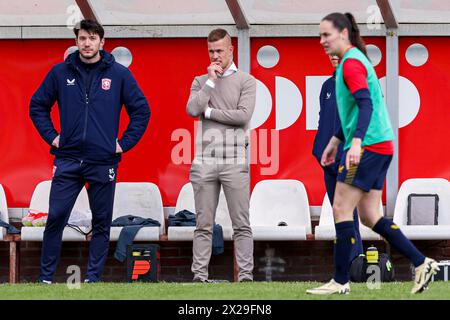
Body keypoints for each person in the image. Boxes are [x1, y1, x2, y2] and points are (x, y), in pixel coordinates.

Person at [307, 12, 439, 295]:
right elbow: (354, 111)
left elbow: (366, 105)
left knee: (341, 208)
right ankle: (422, 262)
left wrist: (355, 143)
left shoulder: (352, 64)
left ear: (343, 34)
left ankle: (340, 281)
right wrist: (335, 141)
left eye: (326, 35)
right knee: (369, 216)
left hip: (367, 149)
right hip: (379, 147)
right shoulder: (352, 62)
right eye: (320, 35)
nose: (322, 41)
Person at [29, 19, 150, 283]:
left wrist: (122, 143)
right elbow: (37, 105)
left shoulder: (118, 74)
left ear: (102, 42)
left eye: (92, 38)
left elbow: (141, 110)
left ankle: (93, 278)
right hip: (68, 159)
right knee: (56, 218)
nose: (87, 43)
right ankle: (46, 278)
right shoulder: (60, 73)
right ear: (76, 41)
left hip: (103, 160)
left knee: (101, 223)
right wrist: (53, 137)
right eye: (83, 38)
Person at [186, 28, 256, 282]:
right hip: (204, 161)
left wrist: (210, 113)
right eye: (211, 51)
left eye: (219, 51)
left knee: (241, 223)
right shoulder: (200, 81)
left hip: (235, 159)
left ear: (230, 50)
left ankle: (246, 276)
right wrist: (211, 81)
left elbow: (242, 116)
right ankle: (199, 276)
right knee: (203, 224)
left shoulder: (246, 81)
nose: (215, 56)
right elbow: (192, 109)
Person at [312, 54, 363, 262]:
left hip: (348, 160)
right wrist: (319, 149)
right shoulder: (327, 86)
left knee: (346, 212)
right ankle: (348, 264)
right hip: (329, 164)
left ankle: (354, 262)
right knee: (339, 214)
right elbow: (322, 120)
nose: (334, 56)